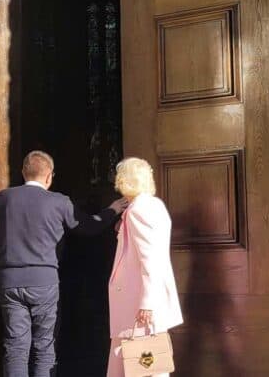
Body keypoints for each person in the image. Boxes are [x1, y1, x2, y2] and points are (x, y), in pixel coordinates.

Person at [0, 150, 128, 377]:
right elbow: (88, 227)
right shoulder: (59, 202)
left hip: (9, 282)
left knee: (15, 348)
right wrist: (112, 210)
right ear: (49, 176)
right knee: (44, 348)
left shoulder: (4, 198)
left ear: (23, 172)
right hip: (44, 284)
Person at [106, 157, 183, 377]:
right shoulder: (152, 204)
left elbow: (150, 257)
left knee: (141, 364)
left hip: (138, 302)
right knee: (143, 365)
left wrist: (147, 301)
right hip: (143, 299)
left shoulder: (138, 210)